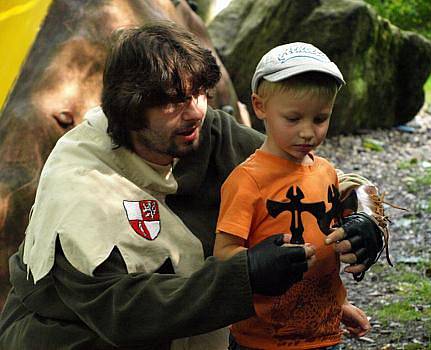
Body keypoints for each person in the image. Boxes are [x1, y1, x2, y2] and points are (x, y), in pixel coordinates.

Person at [0, 22, 387, 350]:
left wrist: (364, 217)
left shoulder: (205, 133)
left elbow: (309, 173)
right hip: (72, 335)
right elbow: (122, 311)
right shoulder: (79, 186)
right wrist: (247, 277)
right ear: (129, 110)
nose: (196, 111)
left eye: (199, 93)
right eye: (173, 101)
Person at [214, 42, 372, 349]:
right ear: (260, 107)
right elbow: (223, 253)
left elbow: (329, 246)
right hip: (261, 339)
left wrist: (338, 306)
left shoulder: (326, 173)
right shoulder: (247, 180)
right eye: (293, 118)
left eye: (320, 118)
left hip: (324, 335)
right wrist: (254, 263)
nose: (307, 132)